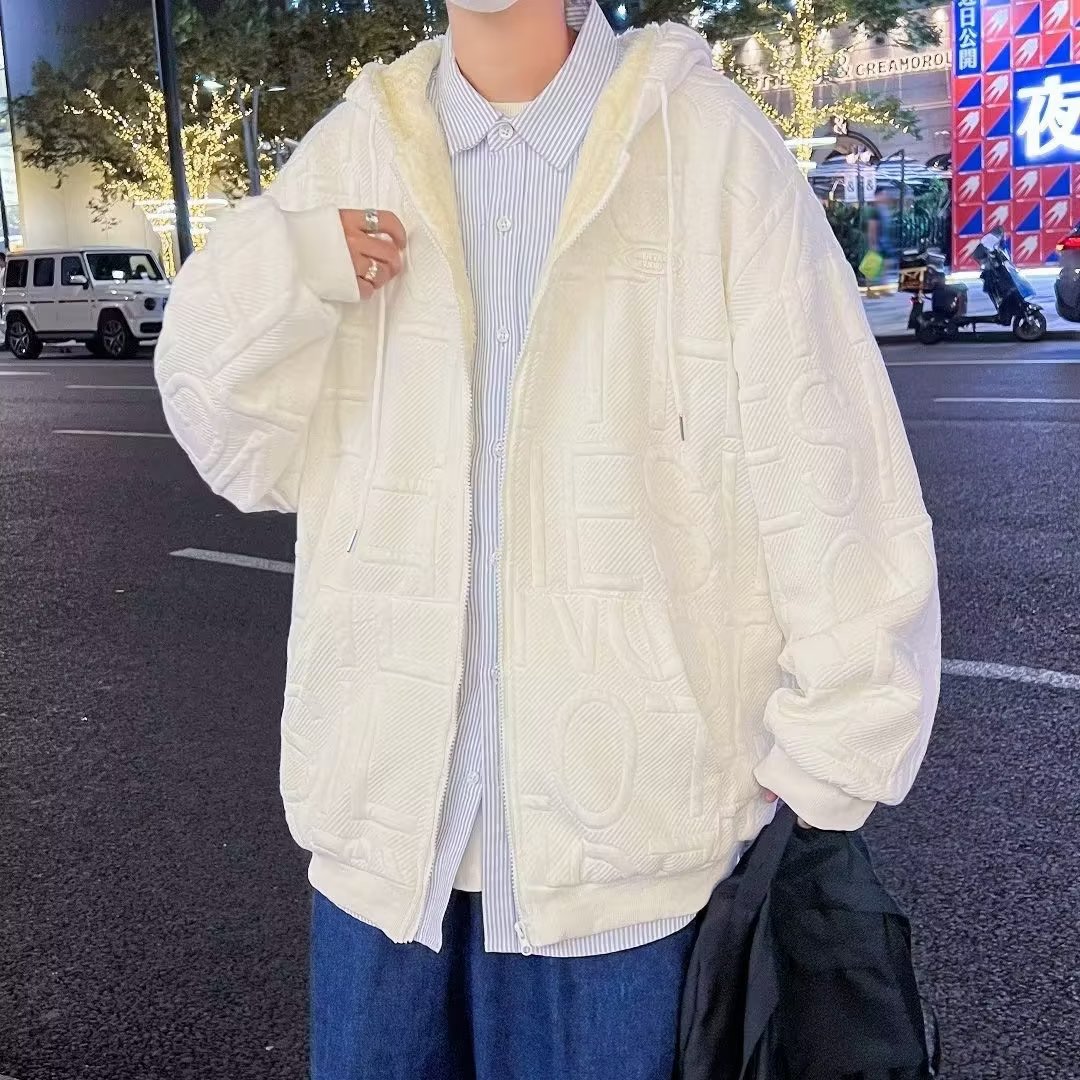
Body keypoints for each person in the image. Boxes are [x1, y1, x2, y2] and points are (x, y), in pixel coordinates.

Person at [154, 0, 941, 1075]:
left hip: (627, 862)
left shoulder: (703, 144)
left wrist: (823, 768)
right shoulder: (359, 147)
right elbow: (233, 441)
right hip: (387, 848)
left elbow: (830, 465)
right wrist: (289, 271)